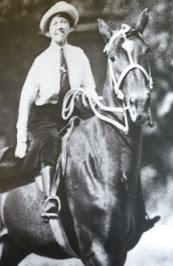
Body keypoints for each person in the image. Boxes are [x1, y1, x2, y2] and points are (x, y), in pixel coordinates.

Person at [0, 1, 96, 220]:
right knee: (50, 141)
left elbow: (90, 88)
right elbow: (26, 99)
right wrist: (22, 139)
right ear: (49, 31)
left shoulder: (79, 55)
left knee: (97, 140)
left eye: (63, 22)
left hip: (73, 112)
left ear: (70, 28)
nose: (59, 26)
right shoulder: (40, 62)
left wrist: (94, 102)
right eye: (55, 23)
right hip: (44, 117)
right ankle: (51, 199)